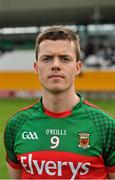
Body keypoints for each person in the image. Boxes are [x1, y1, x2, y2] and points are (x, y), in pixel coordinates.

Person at [4, 25, 115, 179]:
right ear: (36, 67)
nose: (55, 65)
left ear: (77, 67)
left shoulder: (106, 126)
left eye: (65, 59)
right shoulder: (15, 125)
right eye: (47, 58)